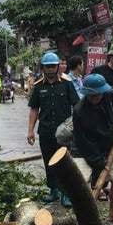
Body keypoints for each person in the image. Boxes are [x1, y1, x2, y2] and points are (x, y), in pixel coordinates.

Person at [72, 74, 113, 224]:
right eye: (92, 95)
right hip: (85, 150)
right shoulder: (79, 111)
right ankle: (83, 217)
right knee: (81, 183)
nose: (96, 97)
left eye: (99, 94)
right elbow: (82, 141)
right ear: (87, 93)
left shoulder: (109, 95)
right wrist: (98, 162)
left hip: (109, 146)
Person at [27, 52, 80, 204]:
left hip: (64, 133)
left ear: (57, 67)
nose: (50, 69)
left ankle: (66, 193)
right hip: (45, 131)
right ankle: (53, 190)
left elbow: (76, 106)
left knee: (65, 162)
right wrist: (30, 130)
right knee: (49, 161)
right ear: (42, 68)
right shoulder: (38, 87)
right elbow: (34, 110)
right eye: (47, 67)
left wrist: (77, 127)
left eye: (53, 66)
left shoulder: (67, 83)